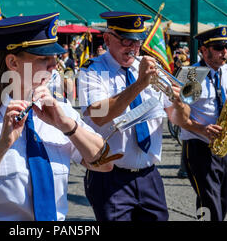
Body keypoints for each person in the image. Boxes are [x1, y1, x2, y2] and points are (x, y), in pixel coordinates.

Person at [0, 13, 114, 221]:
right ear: (13, 62)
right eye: (43, 58)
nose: (54, 65)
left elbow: (105, 164)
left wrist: (68, 126)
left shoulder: (58, 108)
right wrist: (1, 146)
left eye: (54, 57)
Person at [78, 11, 187, 221]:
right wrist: (139, 85)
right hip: (110, 177)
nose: (134, 48)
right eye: (127, 40)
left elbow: (177, 119)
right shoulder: (92, 70)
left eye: (138, 41)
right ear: (108, 38)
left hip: (149, 175)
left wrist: (180, 103)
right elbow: (100, 115)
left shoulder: (150, 68)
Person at [176, 26, 227, 221]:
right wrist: (202, 128)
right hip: (200, 145)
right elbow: (177, 117)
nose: (224, 52)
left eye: (226, 46)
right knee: (209, 200)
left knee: (223, 199)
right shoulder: (192, 74)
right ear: (204, 50)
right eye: (218, 47)